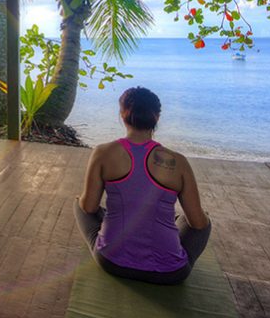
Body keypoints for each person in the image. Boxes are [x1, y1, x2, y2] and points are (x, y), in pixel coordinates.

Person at [74, 86, 211, 285]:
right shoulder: (178, 162)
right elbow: (198, 223)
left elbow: (88, 208)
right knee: (202, 222)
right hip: (170, 273)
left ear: (122, 114)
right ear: (157, 117)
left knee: (79, 203)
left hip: (112, 262)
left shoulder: (103, 153)